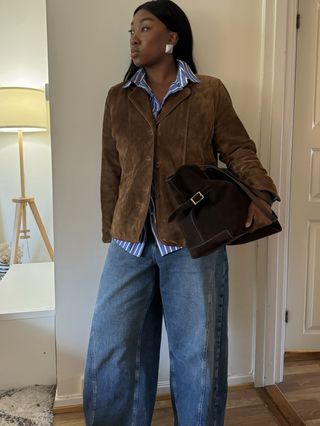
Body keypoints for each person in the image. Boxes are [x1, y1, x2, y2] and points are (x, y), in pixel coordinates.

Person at [83, 1, 280, 425]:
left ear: (172, 37)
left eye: (145, 27)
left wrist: (261, 194)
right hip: (129, 242)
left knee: (198, 353)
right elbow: (111, 167)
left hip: (192, 239)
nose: (134, 37)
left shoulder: (208, 92)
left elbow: (238, 148)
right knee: (112, 347)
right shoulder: (118, 98)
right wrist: (111, 228)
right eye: (131, 29)